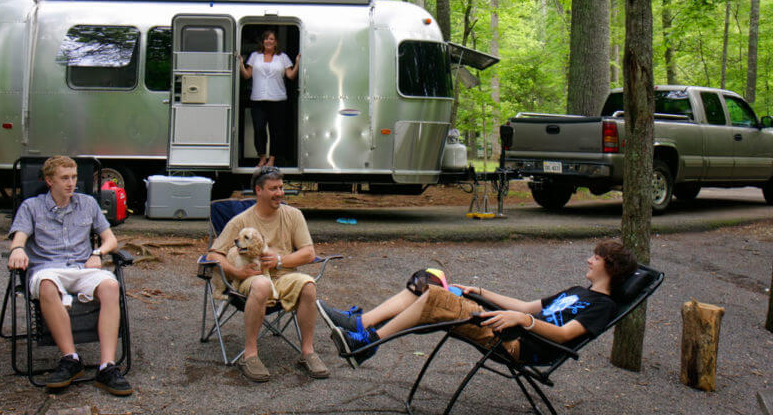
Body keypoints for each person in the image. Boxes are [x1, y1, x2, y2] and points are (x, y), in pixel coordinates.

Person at [319, 240, 637, 368]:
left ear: (609, 266)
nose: (588, 259)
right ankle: (362, 326)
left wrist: (523, 322)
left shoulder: (602, 306)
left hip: (514, 342)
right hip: (505, 324)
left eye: (595, 257)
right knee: (429, 276)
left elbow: (566, 334)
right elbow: (526, 306)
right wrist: (479, 290)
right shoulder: (577, 291)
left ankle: (367, 343)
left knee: (434, 296)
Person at [7, 156, 131, 395]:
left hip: (81, 268)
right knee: (46, 285)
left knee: (110, 286)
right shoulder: (31, 207)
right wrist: (18, 250)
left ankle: (107, 366)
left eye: (74, 177)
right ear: (49, 180)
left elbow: (111, 240)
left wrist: (98, 252)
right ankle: (71, 359)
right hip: (47, 268)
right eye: (64, 178)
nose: (71, 183)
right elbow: (19, 239)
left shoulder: (88, 204)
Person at [206, 166, 328, 382]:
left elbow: (309, 253)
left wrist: (279, 260)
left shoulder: (293, 215)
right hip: (250, 278)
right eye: (273, 188)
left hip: (283, 276)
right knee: (262, 284)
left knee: (308, 285)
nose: (280, 193)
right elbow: (213, 255)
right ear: (258, 191)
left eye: (281, 187)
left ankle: (307, 352)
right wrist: (236, 271)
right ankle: (250, 355)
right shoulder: (241, 221)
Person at [238, 30, 300, 168]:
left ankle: (271, 159)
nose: (268, 41)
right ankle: (262, 158)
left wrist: (297, 63)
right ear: (263, 41)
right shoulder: (255, 56)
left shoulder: (282, 57)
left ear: (276, 42)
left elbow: (290, 75)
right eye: (266, 39)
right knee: (259, 129)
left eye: (271, 39)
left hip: (278, 99)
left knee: (276, 132)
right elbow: (247, 75)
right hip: (258, 99)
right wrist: (241, 64)